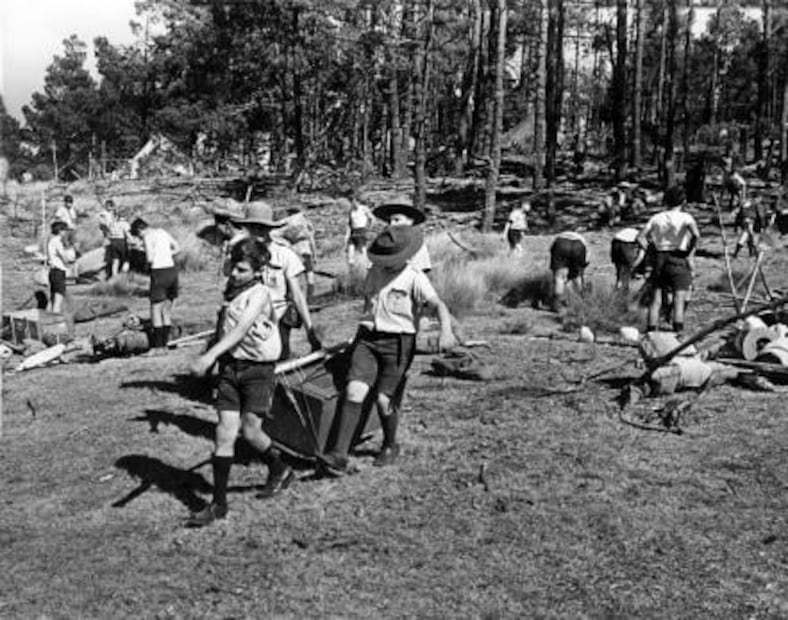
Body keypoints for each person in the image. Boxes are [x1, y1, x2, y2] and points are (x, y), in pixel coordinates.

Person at [318, 226, 457, 476]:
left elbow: (438, 305)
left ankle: (390, 444)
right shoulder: (374, 273)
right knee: (354, 391)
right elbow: (368, 303)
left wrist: (445, 331)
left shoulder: (414, 276)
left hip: (399, 343)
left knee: (384, 400)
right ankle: (339, 453)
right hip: (368, 339)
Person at [187, 237, 293, 527]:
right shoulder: (232, 291)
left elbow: (242, 329)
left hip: (258, 370)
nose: (235, 273)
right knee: (224, 433)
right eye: (234, 267)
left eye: (242, 270)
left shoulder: (259, 294)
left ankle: (279, 466)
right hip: (231, 369)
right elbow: (224, 331)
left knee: (250, 431)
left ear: (258, 271)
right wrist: (215, 359)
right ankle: (218, 504)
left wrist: (208, 357)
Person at [232, 202, 321, 359]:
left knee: (277, 359)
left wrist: (310, 330)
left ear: (269, 229)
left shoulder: (284, 255)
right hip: (246, 317)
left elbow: (298, 296)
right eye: (253, 228)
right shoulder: (240, 253)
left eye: (261, 228)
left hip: (277, 318)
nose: (257, 232)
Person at [633, 185, 700, 335]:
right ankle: (678, 332)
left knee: (656, 297)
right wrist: (689, 251)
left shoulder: (656, 217)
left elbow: (640, 237)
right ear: (683, 201)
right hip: (678, 256)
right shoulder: (686, 217)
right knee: (679, 297)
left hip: (660, 256)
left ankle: (651, 332)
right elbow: (696, 235)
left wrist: (651, 250)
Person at [130, 218, 180, 348]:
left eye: (138, 235)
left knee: (155, 308)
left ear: (140, 229)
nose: (140, 238)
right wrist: (165, 254)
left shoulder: (147, 237)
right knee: (166, 310)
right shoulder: (162, 232)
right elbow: (177, 248)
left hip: (159, 272)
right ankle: (168, 341)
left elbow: (150, 258)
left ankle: (158, 346)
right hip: (172, 270)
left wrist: (143, 252)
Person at [373, 197, 431, 272]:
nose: (392, 224)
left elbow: (420, 274)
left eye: (397, 220)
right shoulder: (385, 242)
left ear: (410, 221)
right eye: (389, 221)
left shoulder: (416, 244)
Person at [276, 206, 318, 302]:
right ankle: (310, 299)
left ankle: (292, 299)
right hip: (306, 251)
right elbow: (311, 240)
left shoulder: (287, 222)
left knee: (293, 278)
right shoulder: (305, 222)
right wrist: (315, 255)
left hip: (294, 252)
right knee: (309, 276)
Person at [549, 231, 589, 311]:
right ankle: (582, 301)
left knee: (559, 277)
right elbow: (585, 262)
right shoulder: (581, 239)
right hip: (579, 246)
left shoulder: (559, 237)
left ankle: (557, 304)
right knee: (577, 276)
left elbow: (551, 250)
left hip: (561, 245)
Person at [46, 220, 76, 313]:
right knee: (58, 298)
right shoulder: (57, 241)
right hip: (58, 271)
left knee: (52, 297)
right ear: (60, 230)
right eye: (65, 230)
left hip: (53, 271)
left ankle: (46, 317)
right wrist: (70, 262)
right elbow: (63, 256)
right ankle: (55, 320)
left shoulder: (51, 241)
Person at [98, 200, 131, 278]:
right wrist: (132, 240)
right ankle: (123, 274)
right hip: (121, 241)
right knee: (126, 259)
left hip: (113, 240)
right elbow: (127, 233)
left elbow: (107, 229)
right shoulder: (125, 224)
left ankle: (114, 275)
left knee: (115, 260)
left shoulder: (113, 223)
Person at [345, 194, 375, 266]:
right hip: (353, 231)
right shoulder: (350, 211)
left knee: (362, 250)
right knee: (350, 252)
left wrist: (369, 228)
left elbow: (372, 218)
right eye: (351, 202)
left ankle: (367, 266)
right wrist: (347, 235)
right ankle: (353, 271)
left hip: (362, 230)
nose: (352, 203)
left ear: (357, 201)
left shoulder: (363, 208)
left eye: (353, 201)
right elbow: (349, 224)